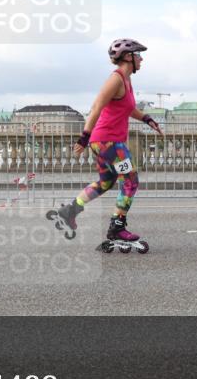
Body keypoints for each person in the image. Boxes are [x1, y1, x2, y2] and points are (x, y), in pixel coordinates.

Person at [53, 38, 163, 243]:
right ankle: (117, 227)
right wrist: (84, 136)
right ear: (128, 57)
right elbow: (96, 106)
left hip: (105, 142)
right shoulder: (116, 78)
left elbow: (129, 109)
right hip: (109, 142)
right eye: (138, 55)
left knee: (106, 182)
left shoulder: (126, 81)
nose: (141, 59)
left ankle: (69, 211)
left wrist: (148, 119)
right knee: (130, 181)